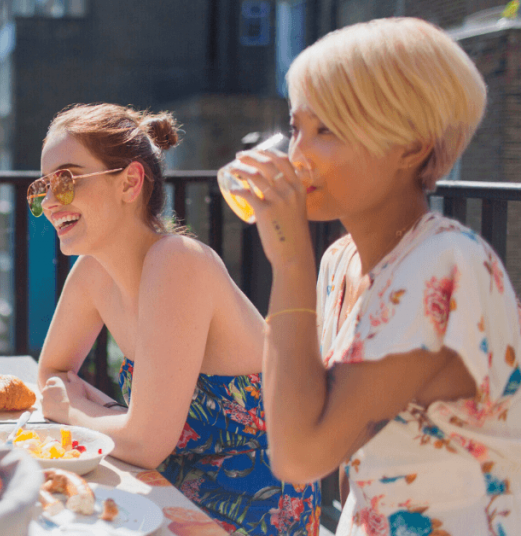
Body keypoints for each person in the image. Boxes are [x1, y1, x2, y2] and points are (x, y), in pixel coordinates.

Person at [229, 18, 521, 535]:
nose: (297, 155)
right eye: (298, 128)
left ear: (410, 145)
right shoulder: (340, 262)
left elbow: (300, 457)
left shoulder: (448, 265)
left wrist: (290, 262)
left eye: (328, 130)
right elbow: (348, 461)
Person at [34, 103, 319, 534]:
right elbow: (51, 374)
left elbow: (144, 443)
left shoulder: (178, 262)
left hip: (254, 511)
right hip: (169, 491)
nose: (52, 201)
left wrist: (75, 410)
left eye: (67, 180)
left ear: (129, 182)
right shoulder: (94, 270)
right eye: (44, 186)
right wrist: (114, 417)